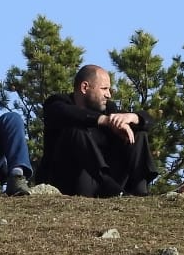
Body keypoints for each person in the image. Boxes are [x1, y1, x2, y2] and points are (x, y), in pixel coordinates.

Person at [40, 65, 158, 197]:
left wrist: (134, 117)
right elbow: (67, 113)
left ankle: (140, 191)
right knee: (75, 130)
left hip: (102, 185)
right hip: (71, 181)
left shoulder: (109, 108)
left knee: (137, 133)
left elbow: (149, 122)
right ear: (85, 87)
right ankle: (109, 185)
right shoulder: (57, 103)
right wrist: (103, 120)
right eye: (104, 89)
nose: (108, 95)